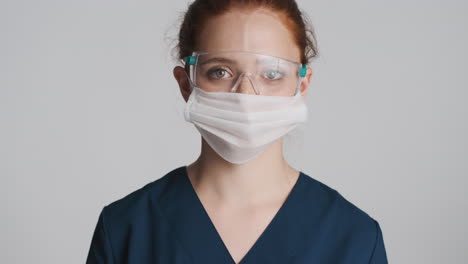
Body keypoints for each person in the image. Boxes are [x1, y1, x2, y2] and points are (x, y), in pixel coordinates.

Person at [85, 0, 388, 263]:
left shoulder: (354, 237)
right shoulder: (127, 230)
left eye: (271, 74)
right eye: (220, 71)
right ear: (185, 83)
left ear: (302, 85)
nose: (246, 94)